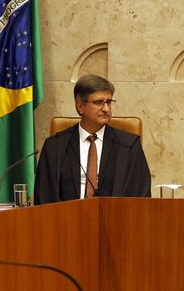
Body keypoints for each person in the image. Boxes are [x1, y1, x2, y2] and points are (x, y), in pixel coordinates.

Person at [35, 74, 151, 202]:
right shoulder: (54, 146)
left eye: (109, 102)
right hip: (66, 219)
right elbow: (44, 196)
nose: (106, 109)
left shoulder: (129, 146)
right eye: (99, 102)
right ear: (80, 107)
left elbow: (140, 196)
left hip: (115, 219)